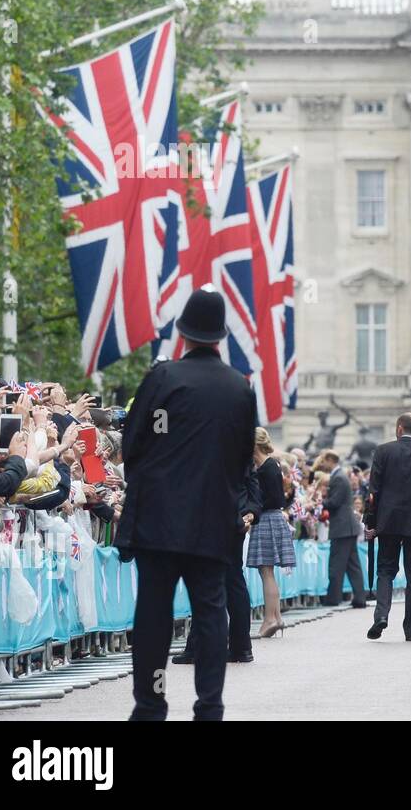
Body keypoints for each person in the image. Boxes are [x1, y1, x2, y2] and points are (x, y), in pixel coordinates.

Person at [116, 291, 258, 721]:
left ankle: (151, 704)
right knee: (211, 612)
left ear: (182, 331)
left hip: (158, 517)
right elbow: (241, 458)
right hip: (211, 518)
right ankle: (209, 707)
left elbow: (132, 443)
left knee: (154, 615)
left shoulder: (163, 377)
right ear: (221, 336)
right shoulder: (239, 388)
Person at [172, 463, 263, 666]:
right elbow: (253, 491)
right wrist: (250, 513)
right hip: (235, 522)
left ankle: (199, 647)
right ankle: (241, 647)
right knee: (234, 583)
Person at [365, 412, 411, 642]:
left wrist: (371, 523)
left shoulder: (383, 451)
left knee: (386, 570)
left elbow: (373, 492)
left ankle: (381, 615)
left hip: (387, 522)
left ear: (399, 428)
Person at [246, 428, 295, 638]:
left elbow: (271, 498)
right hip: (273, 517)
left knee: (266, 572)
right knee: (268, 573)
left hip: (266, 518)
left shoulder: (265, 468)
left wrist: (250, 511)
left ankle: (270, 619)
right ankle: (276, 618)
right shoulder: (271, 464)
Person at [319, 449, 366, 608]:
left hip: (342, 527)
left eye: (324, 461)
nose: (322, 464)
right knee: (353, 565)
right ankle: (359, 598)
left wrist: (320, 502)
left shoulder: (338, 477)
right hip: (347, 527)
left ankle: (333, 598)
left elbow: (334, 502)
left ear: (331, 460)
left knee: (336, 564)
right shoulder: (339, 476)